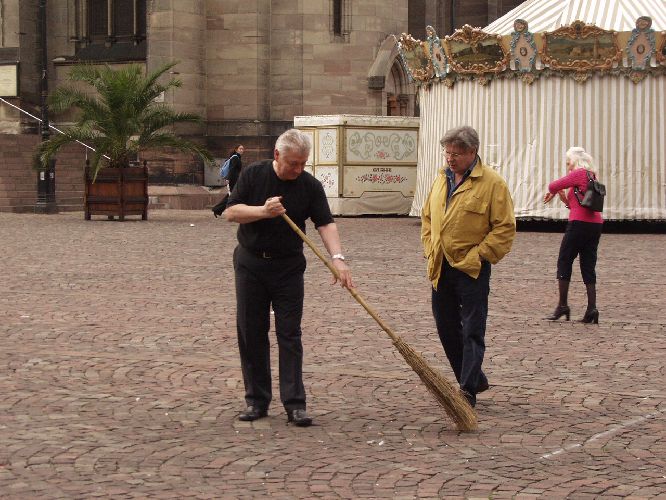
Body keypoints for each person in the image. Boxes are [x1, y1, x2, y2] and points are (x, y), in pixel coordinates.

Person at [224, 129, 353, 426]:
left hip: (288, 267)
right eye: (293, 163)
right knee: (251, 331)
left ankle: (295, 404)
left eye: (303, 163)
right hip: (250, 264)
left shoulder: (309, 185)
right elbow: (231, 212)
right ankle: (256, 401)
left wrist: (337, 258)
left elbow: (325, 223)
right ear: (277, 155)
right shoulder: (254, 174)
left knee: (290, 333)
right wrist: (263, 211)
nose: (298, 169)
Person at [421, 126, 516, 408]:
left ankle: (467, 391)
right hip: (441, 266)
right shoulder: (441, 179)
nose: (450, 159)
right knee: (446, 327)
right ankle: (475, 378)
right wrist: (430, 248)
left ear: (472, 152)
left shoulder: (492, 184)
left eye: (456, 154)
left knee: (472, 330)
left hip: (472, 269)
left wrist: (479, 256)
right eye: (447, 153)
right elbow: (427, 218)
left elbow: (504, 228)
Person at [543, 146, 603, 324]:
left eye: (568, 161)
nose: (567, 165)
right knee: (588, 265)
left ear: (575, 161)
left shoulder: (578, 173)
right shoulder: (592, 175)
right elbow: (575, 204)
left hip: (578, 224)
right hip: (595, 225)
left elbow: (552, 185)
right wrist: (562, 195)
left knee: (564, 260)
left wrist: (555, 190)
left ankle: (563, 306)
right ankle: (592, 309)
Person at [212, 144, 244, 218]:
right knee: (233, 196)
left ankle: (217, 209)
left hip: (235, 179)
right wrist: (228, 179)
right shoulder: (235, 158)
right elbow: (232, 169)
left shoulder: (237, 157)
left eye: (242, 149)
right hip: (233, 180)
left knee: (231, 196)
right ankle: (218, 209)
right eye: (240, 149)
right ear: (236, 149)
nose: (242, 150)